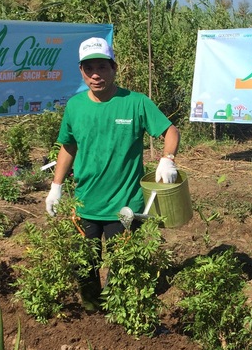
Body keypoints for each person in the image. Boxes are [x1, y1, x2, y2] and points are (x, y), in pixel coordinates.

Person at [45, 37, 180, 311]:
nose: (96, 75)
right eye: (89, 68)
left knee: (121, 271)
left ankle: (117, 320)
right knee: (85, 269)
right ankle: (95, 317)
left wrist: (168, 159)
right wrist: (56, 185)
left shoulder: (135, 103)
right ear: (81, 71)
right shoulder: (75, 106)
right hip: (85, 204)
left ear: (113, 68)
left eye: (102, 67)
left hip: (125, 207)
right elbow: (68, 146)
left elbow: (170, 131)